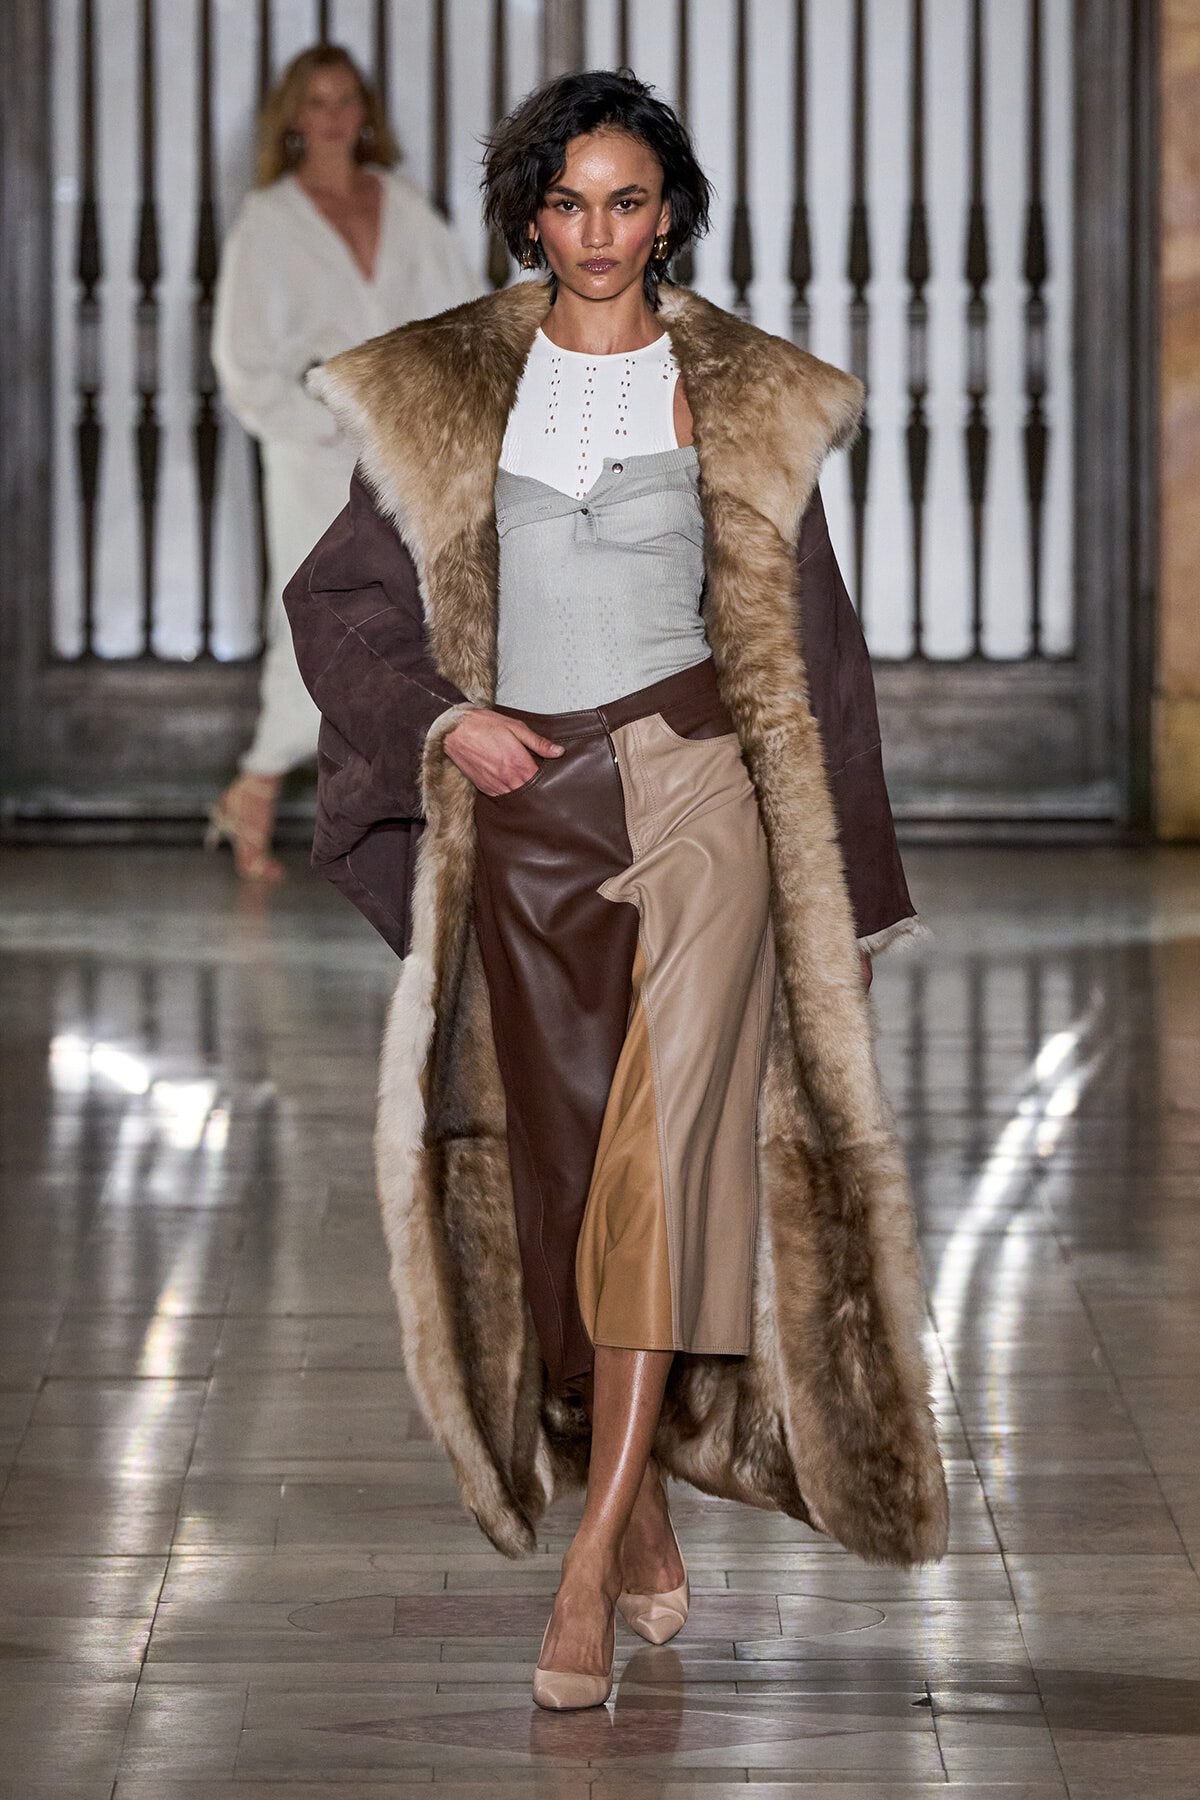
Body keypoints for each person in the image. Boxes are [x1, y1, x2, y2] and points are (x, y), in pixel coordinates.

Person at [285, 70, 948, 1710]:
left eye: (628, 201)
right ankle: (638, 1494)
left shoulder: (739, 396)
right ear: (530, 213)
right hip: (525, 822)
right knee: (568, 1202)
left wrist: (849, 901)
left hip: (697, 797)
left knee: (661, 1177)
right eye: (568, 202)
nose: (597, 233)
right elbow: (338, 608)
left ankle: (586, 1570)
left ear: (671, 215)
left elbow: (818, 656)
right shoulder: (449, 395)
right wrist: (448, 716)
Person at [209, 43, 481, 881]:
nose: (331, 116)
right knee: (314, 616)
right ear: (294, 117)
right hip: (311, 451)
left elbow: (458, 314)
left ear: (365, 111)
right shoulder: (269, 219)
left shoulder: (404, 206)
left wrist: (440, 418)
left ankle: (423, 815)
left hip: (404, 446)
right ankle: (258, 781)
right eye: (315, 101)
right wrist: (307, 424)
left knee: (422, 614)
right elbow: (242, 358)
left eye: (345, 99)